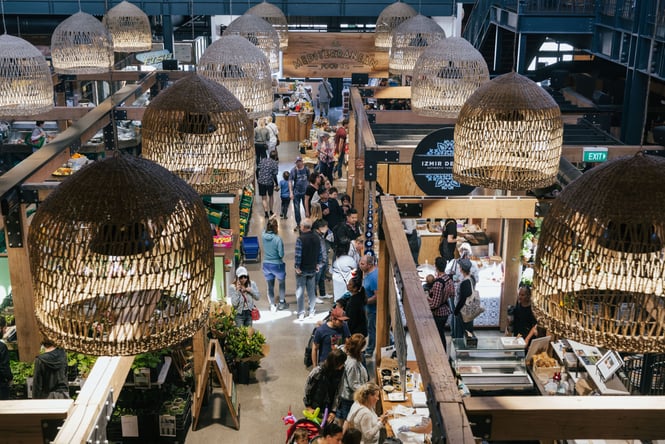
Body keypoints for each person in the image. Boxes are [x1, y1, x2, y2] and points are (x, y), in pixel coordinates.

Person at [303, 348, 347, 424]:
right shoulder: (318, 371)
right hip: (314, 407)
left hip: (328, 408)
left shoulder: (341, 372)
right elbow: (308, 388)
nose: (343, 365)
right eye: (342, 363)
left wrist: (333, 411)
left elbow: (339, 391)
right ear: (335, 363)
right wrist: (308, 406)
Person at [336, 334, 369, 426]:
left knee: (343, 419)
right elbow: (353, 384)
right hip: (349, 397)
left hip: (343, 394)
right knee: (348, 421)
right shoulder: (352, 363)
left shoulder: (344, 350)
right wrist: (367, 388)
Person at [295, 218, 322, 320]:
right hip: (312, 268)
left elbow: (298, 254)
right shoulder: (317, 238)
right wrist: (318, 264)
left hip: (302, 270)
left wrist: (297, 267)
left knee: (300, 292)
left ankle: (301, 313)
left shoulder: (300, 239)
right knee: (311, 291)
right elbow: (319, 252)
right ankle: (312, 311)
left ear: (302, 227)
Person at [262, 216, 288, 312]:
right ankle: (281, 303)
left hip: (266, 264)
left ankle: (272, 305)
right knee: (281, 283)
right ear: (276, 227)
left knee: (270, 285)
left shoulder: (263, 236)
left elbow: (264, 229)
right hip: (277, 265)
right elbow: (281, 254)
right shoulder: (278, 239)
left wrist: (269, 219)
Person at [428, 256, 454, 351]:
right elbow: (452, 293)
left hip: (439, 313)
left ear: (436, 267)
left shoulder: (438, 283)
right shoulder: (448, 279)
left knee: (439, 335)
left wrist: (427, 300)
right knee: (440, 333)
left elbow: (435, 304)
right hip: (446, 310)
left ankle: (441, 353)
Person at [337, 272, 367, 336]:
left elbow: (352, 320)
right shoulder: (356, 297)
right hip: (359, 330)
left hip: (356, 332)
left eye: (350, 284)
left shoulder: (354, 302)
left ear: (355, 288)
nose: (347, 285)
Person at [359, 255, 378, 359]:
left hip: (373, 310)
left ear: (370, 265)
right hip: (369, 308)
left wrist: (365, 302)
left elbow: (377, 296)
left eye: (362, 264)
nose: (360, 265)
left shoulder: (373, 278)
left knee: (372, 329)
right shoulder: (368, 274)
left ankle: (370, 350)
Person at [452, 258, 476, 339]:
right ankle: (466, 349)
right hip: (469, 309)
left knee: (460, 333)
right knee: (468, 331)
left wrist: (456, 311)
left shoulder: (465, 282)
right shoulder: (472, 278)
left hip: (463, 311)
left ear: (461, 269)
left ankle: (462, 350)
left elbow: (463, 299)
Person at [314, 219, 333, 302]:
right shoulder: (315, 236)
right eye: (325, 227)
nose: (327, 228)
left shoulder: (321, 235)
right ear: (320, 227)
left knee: (322, 278)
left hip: (323, 261)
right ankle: (314, 297)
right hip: (318, 262)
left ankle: (322, 294)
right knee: (315, 281)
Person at [289, 157, 310, 231]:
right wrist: (291, 192)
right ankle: (298, 224)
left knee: (306, 208)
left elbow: (309, 179)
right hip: (296, 193)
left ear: (302, 162)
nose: (298, 163)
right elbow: (290, 181)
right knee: (297, 209)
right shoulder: (293, 170)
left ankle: (308, 223)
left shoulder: (306, 169)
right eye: (297, 162)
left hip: (305, 193)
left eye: (300, 162)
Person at [257, 150, 279, 218]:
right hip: (269, 182)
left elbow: (257, 170)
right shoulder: (275, 163)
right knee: (271, 196)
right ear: (275, 156)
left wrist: (258, 179)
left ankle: (266, 212)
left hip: (261, 182)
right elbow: (274, 175)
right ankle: (271, 211)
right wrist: (276, 184)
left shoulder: (263, 160)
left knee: (264, 198)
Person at [0, 317, 12, 400]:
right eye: (4, 328)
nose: (5, 331)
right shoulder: (1, 347)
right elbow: (4, 368)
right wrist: (10, 378)